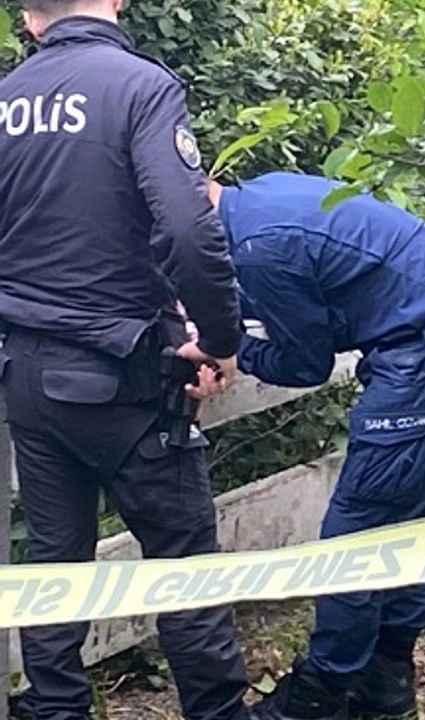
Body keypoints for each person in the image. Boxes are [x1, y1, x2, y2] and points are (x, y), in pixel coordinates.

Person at [0, 1, 252, 719]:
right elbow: (188, 228)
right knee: (185, 566)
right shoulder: (140, 86)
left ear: (30, 19)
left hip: (28, 375)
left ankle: (54, 710)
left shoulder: (6, 100)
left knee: (54, 565)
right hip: (127, 379)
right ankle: (217, 712)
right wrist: (221, 339)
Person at [205, 171, 425, 720]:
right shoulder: (262, 199)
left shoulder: (260, 249)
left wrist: (232, 349)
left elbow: (305, 363)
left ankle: (323, 691)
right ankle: (386, 680)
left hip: (423, 355)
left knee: (354, 533)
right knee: (403, 525)